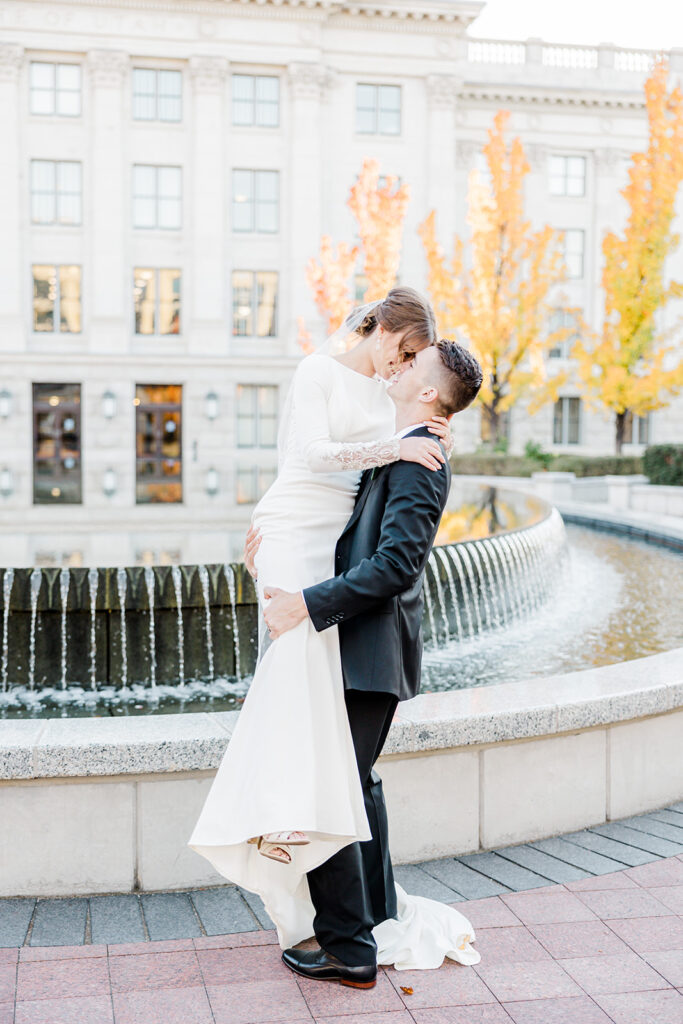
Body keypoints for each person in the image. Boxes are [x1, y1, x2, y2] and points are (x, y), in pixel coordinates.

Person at [189, 289, 450, 945]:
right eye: (405, 349)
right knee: (294, 680)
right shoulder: (317, 372)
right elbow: (309, 456)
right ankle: (283, 825)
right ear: (382, 327)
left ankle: (305, 846)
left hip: (331, 553)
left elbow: (395, 499)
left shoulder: (393, 406)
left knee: (320, 720)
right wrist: (396, 446)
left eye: (416, 360)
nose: (404, 364)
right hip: (293, 528)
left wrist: (414, 434)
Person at [257, 339, 484, 986]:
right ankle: (376, 915)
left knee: (330, 790)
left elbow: (394, 567)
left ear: (430, 394)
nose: (400, 364)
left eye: (415, 364)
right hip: (362, 649)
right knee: (355, 785)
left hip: (368, 651)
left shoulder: (421, 461)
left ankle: (350, 950)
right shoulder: (400, 449)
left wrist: (303, 605)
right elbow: (345, 534)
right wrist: (269, 548)